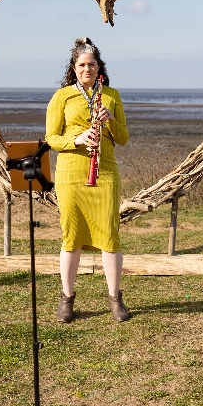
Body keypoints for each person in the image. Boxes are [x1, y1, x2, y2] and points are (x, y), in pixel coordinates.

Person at [46, 37, 130, 323]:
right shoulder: (62, 97)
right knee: (72, 235)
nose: (87, 69)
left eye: (91, 64)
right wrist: (77, 138)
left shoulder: (112, 95)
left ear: (98, 67)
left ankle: (115, 298)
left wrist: (109, 120)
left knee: (109, 234)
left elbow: (123, 138)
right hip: (70, 174)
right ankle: (66, 298)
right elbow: (52, 138)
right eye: (82, 64)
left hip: (104, 173)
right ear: (74, 67)